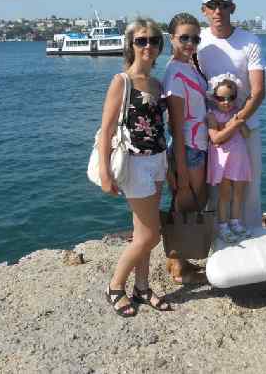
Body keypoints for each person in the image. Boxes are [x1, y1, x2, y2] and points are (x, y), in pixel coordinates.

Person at [100, 18, 172, 317]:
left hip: (158, 160)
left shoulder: (157, 84)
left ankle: (142, 287)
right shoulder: (122, 81)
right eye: (141, 40)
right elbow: (106, 130)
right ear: (131, 45)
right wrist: (105, 172)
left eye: (153, 40)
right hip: (135, 163)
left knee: (143, 231)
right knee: (150, 236)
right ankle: (115, 286)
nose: (148, 46)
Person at [197, 0, 266, 229]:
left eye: (223, 5)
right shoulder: (198, 41)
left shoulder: (250, 41)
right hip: (210, 128)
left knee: (249, 183)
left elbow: (258, 91)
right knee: (213, 185)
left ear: (232, 8)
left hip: (246, 128)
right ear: (204, 10)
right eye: (212, 5)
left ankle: (250, 231)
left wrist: (236, 122)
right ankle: (216, 234)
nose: (218, 11)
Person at [162, 12, 209, 283]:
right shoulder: (174, 75)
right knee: (187, 204)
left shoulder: (188, 66)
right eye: (184, 38)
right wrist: (180, 173)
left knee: (186, 204)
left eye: (195, 38)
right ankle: (179, 267)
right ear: (172, 39)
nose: (190, 43)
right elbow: (177, 128)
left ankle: (176, 260)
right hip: (189, 147)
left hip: (196, 144)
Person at [206, 75, 252, 242]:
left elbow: (246, 134)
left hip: (239, 158)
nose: (226, 102)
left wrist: (240, 121)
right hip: (223, 161)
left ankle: (236, 222)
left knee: (239, 193)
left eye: (231, 98)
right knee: (224, 194)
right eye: (221, 98)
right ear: (214, 98)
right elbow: (215, 138)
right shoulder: (212, 115)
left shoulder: (237, 114)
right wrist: (233, 124)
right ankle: (223, 226)